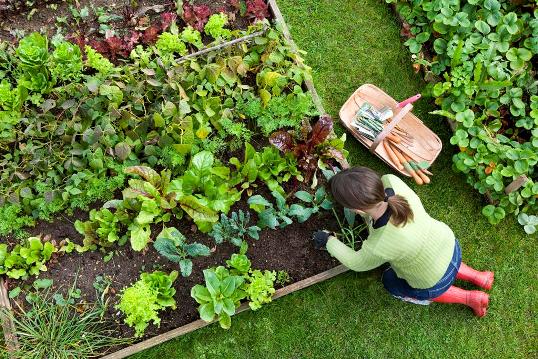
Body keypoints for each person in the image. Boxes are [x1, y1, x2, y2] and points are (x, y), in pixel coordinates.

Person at [313, 167, 494, 317]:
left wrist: (328, 240)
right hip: (449, 246)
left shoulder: (379, 244)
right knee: (438, 260)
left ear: (356, 209)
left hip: (432, 280)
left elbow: (356, 262)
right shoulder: (392, 182)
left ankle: (470, 298)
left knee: (390, 282)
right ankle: (479, 277)